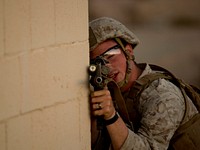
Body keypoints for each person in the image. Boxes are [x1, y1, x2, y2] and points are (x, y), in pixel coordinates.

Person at [89, 17, 199, 150]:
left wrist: (111, 117)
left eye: (110, 56)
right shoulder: (111, 92)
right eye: (97, 63)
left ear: (128, 52)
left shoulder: (163, 97)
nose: (107, 67)